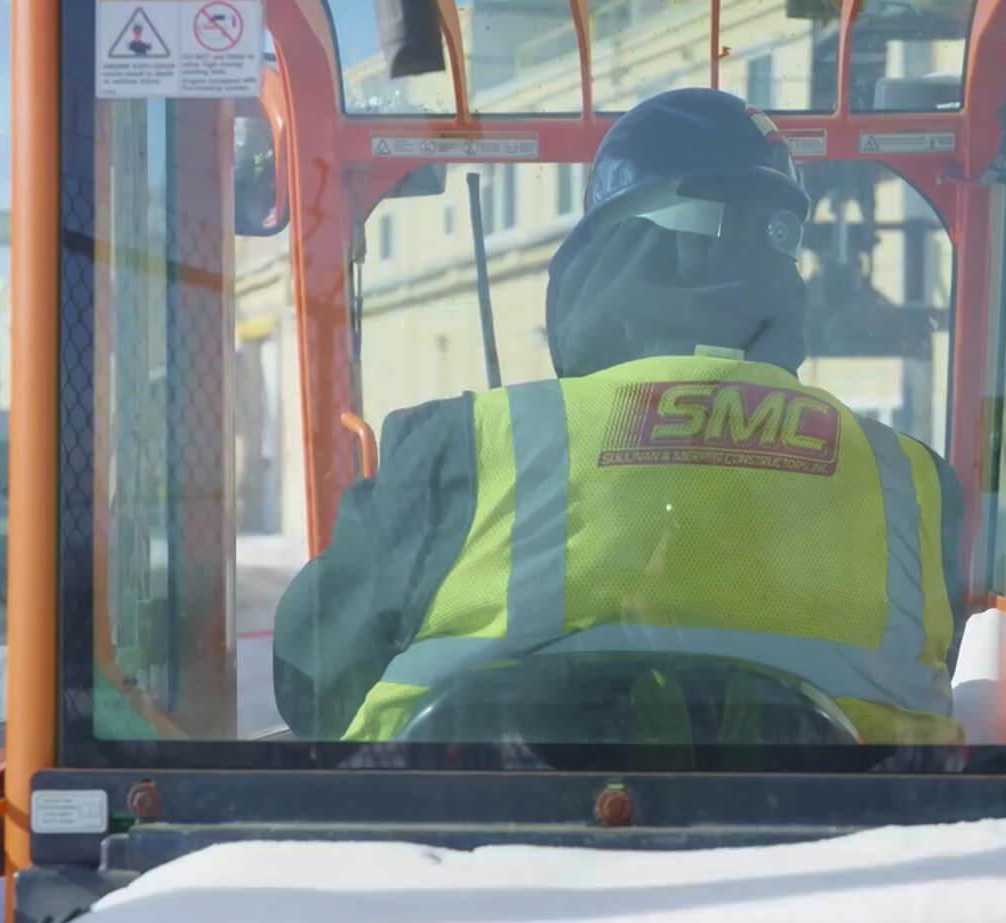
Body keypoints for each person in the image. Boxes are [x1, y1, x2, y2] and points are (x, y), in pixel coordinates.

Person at [273, 87, 964, 744]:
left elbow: (309, 675)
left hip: (475, 827)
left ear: (607, 254)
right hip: (844, 831)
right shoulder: (911, 483)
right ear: (779, 265)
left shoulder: (463, 452)